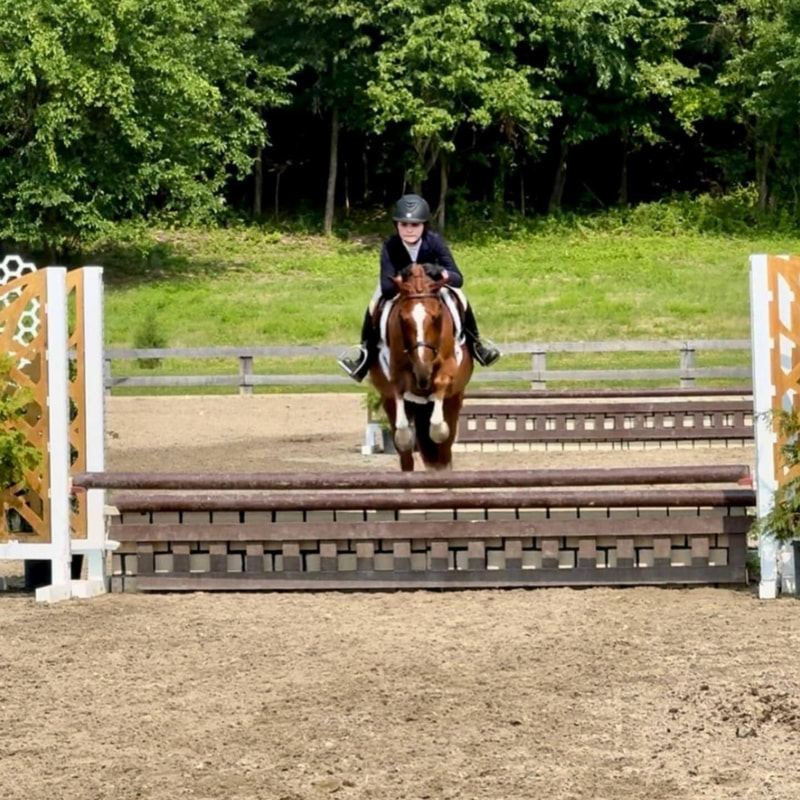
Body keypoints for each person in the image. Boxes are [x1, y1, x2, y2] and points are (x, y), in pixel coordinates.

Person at [337, 193, 501, 382]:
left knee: (460, 297)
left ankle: (476, 344)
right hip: (401, 290)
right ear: (396, 225)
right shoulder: (390, 246)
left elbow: (457, 278)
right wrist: (405, 273)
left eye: (415, 225)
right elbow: (387, 288)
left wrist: (439, 271)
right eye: (403, 225)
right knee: (374, 303)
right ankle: (365, 355)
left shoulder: (434, 241)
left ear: (424, 225)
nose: (409, 230)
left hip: (433, 289)